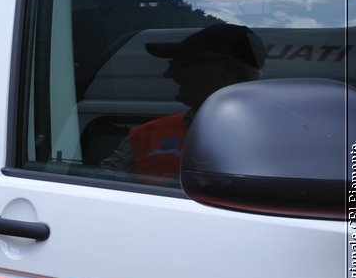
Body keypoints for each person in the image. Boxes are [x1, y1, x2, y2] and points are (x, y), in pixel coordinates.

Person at [103, 23, 264, 179]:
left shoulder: (276, 138)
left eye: (183, 64)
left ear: (231, 71)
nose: (168, 73)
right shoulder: (146, 134)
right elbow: (104, 188)